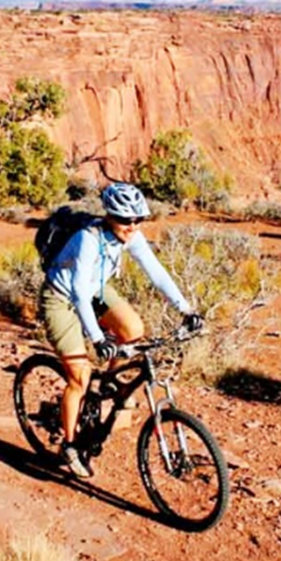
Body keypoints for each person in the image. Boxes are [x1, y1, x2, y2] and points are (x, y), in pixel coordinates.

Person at [39, 182, 203, 478]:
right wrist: (98, 338)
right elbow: (76, 293)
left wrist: (186, 309)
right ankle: (70, 445)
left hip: (95, 292)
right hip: (61, 299)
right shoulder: (87, 238)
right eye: (125, 219)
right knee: (79, 377)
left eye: (138, 219)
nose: (132, 226)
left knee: (133, 328)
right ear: (110, 216)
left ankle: (110, 385)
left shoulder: (132, 237)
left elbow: (157, 274)